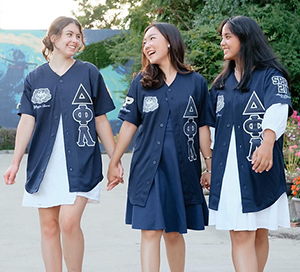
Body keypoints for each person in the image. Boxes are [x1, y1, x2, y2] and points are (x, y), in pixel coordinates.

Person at [4, 16, 118, 272]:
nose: (75, 40)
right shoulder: (35, 77)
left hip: (81, 162)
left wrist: (114, 158)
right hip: (44, 165)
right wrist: (15, 162)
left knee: (68, 222)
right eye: (69, 34)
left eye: (78, 36)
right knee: (49, 226)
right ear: (54, 38)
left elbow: (100, 120)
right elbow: (27, 122)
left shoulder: (88, 72)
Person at [107, 22, 212, 272]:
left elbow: (202, 127)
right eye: (144, 42)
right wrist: (114, 161)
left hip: (181, 168)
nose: (147, 45)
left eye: (152, 39)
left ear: (169, 41)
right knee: (150, 230)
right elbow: (130, 125)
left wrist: (209, 166)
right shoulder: (141, 83)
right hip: (147, 168)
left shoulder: (196, 82)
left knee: (174, 232)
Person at [207, 15, 293, 272]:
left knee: (258, 233)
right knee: (241, 234)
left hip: (260, 164)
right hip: (229, 170)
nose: (222, 42)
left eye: (228, 36)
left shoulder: (270, 76)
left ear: (245, 39)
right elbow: (212, 128)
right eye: (222, 37)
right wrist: (209, 165)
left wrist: (267, 144)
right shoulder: (220, 85)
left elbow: (278, 109)